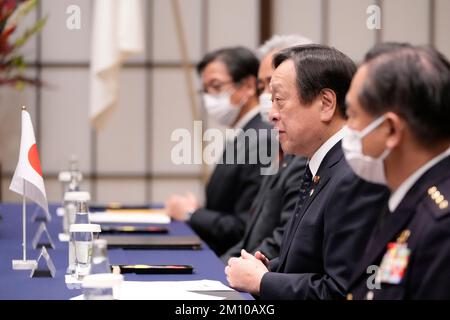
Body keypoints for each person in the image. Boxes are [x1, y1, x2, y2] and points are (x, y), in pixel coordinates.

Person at [225, 44, 389, 300]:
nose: (271, 115)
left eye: (279, 100)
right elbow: (311, 260)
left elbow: (341, 291)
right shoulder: (321, 164)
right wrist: (271, 269)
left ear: (326, 103)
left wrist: (264, 282)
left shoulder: (354, 175)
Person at [344, 43, 450, 300]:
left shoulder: (441, 226)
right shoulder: (404, 196)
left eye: (351, 114)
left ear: (390, 129)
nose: (347, 128)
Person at [165, 47, 273, 256]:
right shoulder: (246, 131)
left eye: (216, 86)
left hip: (234, 256)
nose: (209, 97)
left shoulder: (262, 137)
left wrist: (192, 213)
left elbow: (246, 225)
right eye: (205, 89)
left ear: (249, 85)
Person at [221, 35, 312, 263]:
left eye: (274, 86)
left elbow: (283, 240)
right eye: (263, 86)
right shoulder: (283, 147)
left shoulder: (305, 155)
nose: (267, 98)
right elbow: (253, 234)